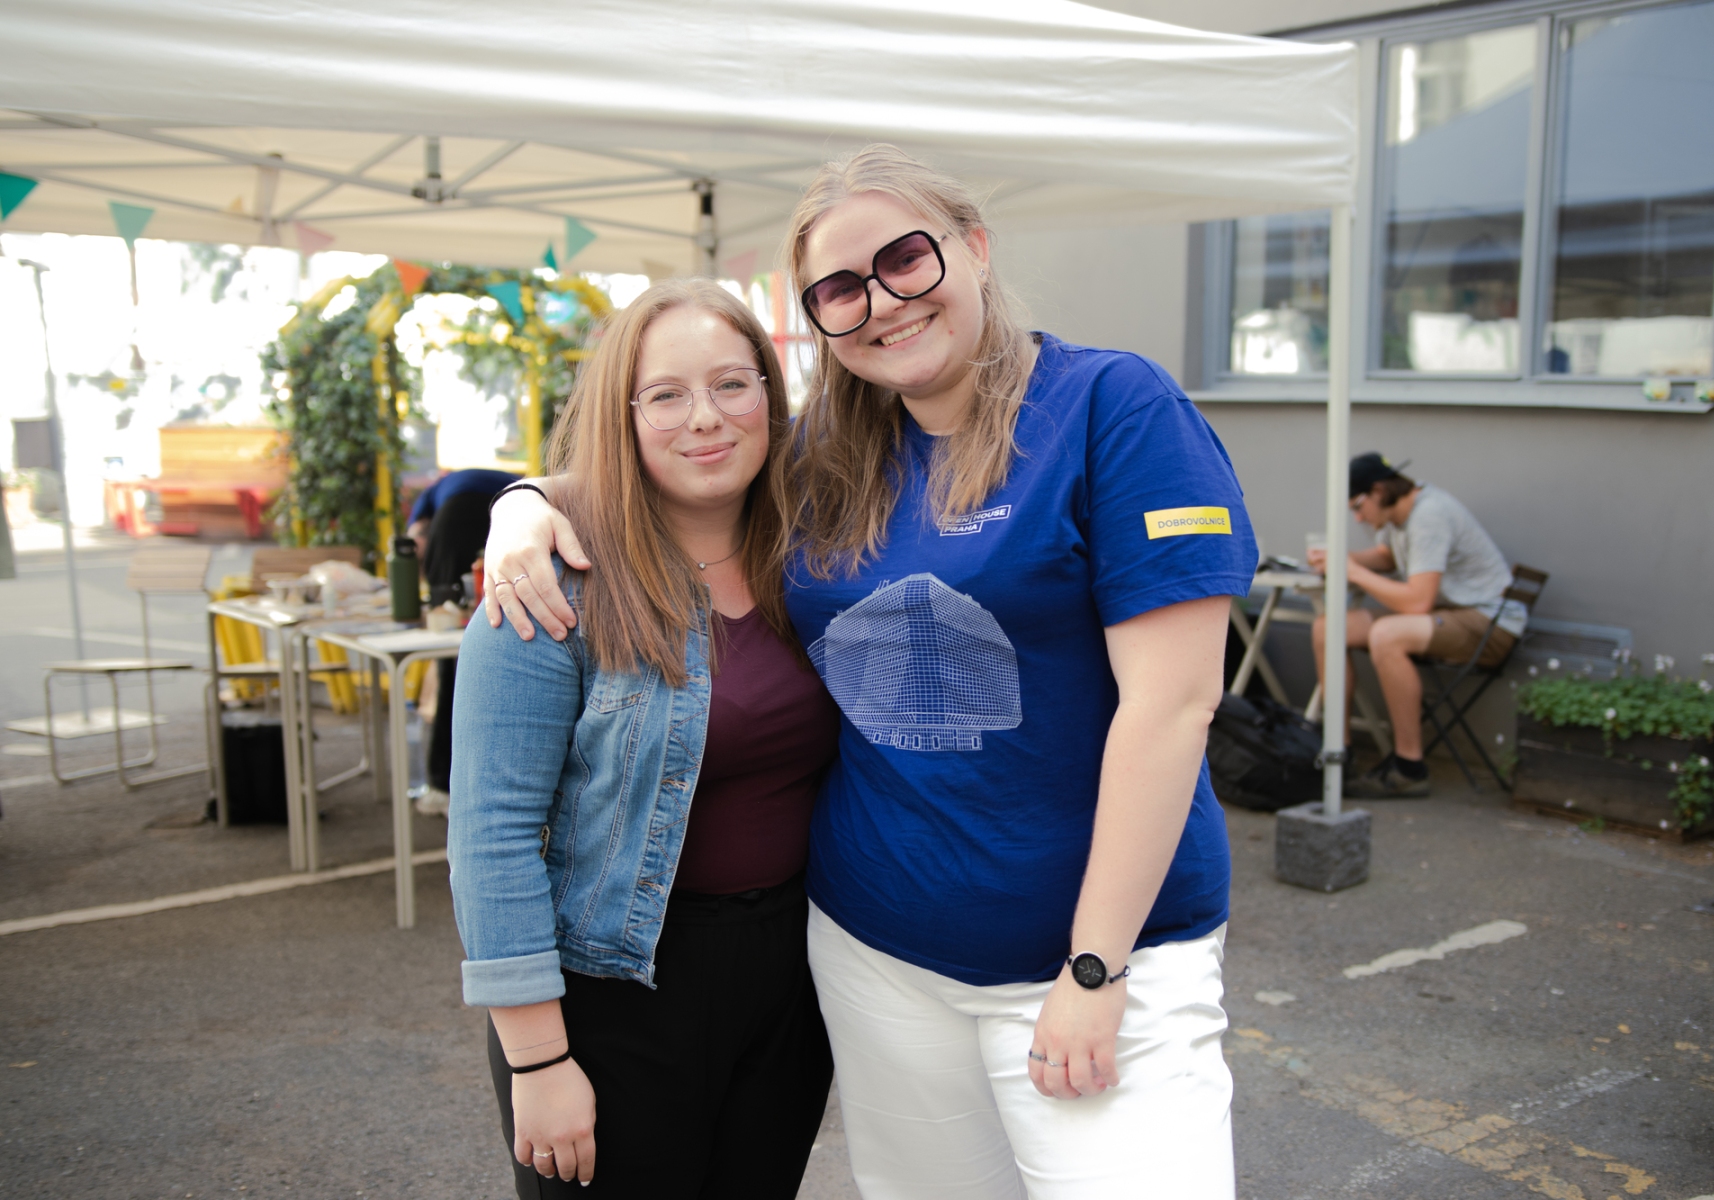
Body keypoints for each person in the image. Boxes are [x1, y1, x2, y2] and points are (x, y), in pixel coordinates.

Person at [483, 145, 1258, 1199]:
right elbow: (676, 457)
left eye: (905, 260)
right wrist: (525, 501)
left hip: (1096, 959)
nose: (883, 302)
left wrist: (1096, 964)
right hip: (876, 954)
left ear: (974, 248)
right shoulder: (827, 456)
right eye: (841, 288)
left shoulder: (1111, 408)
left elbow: (1173, 708)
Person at [447, 279, 837, 1198]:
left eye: (732, 384)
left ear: (770, 397)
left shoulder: (816, 559)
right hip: (616, 991)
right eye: (665, 395)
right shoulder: (551, 586)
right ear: (621, 417)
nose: (704, 417)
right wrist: (539, 1060)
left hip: (791, 981)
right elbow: (492, 836)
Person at [1307, 452, 1524, 799]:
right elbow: (1387, 558)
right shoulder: (1399, 516)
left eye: (1359, 506)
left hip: (1488, 623)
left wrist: (1353, 572)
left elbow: (1417, 602)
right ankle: (1338, 751)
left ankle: (1409, 768)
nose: (1358, 517)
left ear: (1379, 491)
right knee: (1328, 629)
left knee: (1387, 635)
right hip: (1449, 613)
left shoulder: (1429, 514)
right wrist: (1337, 558)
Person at [404, 467, 520, 816]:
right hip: (516, 512)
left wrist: (427, 568)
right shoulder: (499, 480)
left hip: (466, 516)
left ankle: (442, 785)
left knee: (452, 665)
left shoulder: (433, 498)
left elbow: (416, 536)